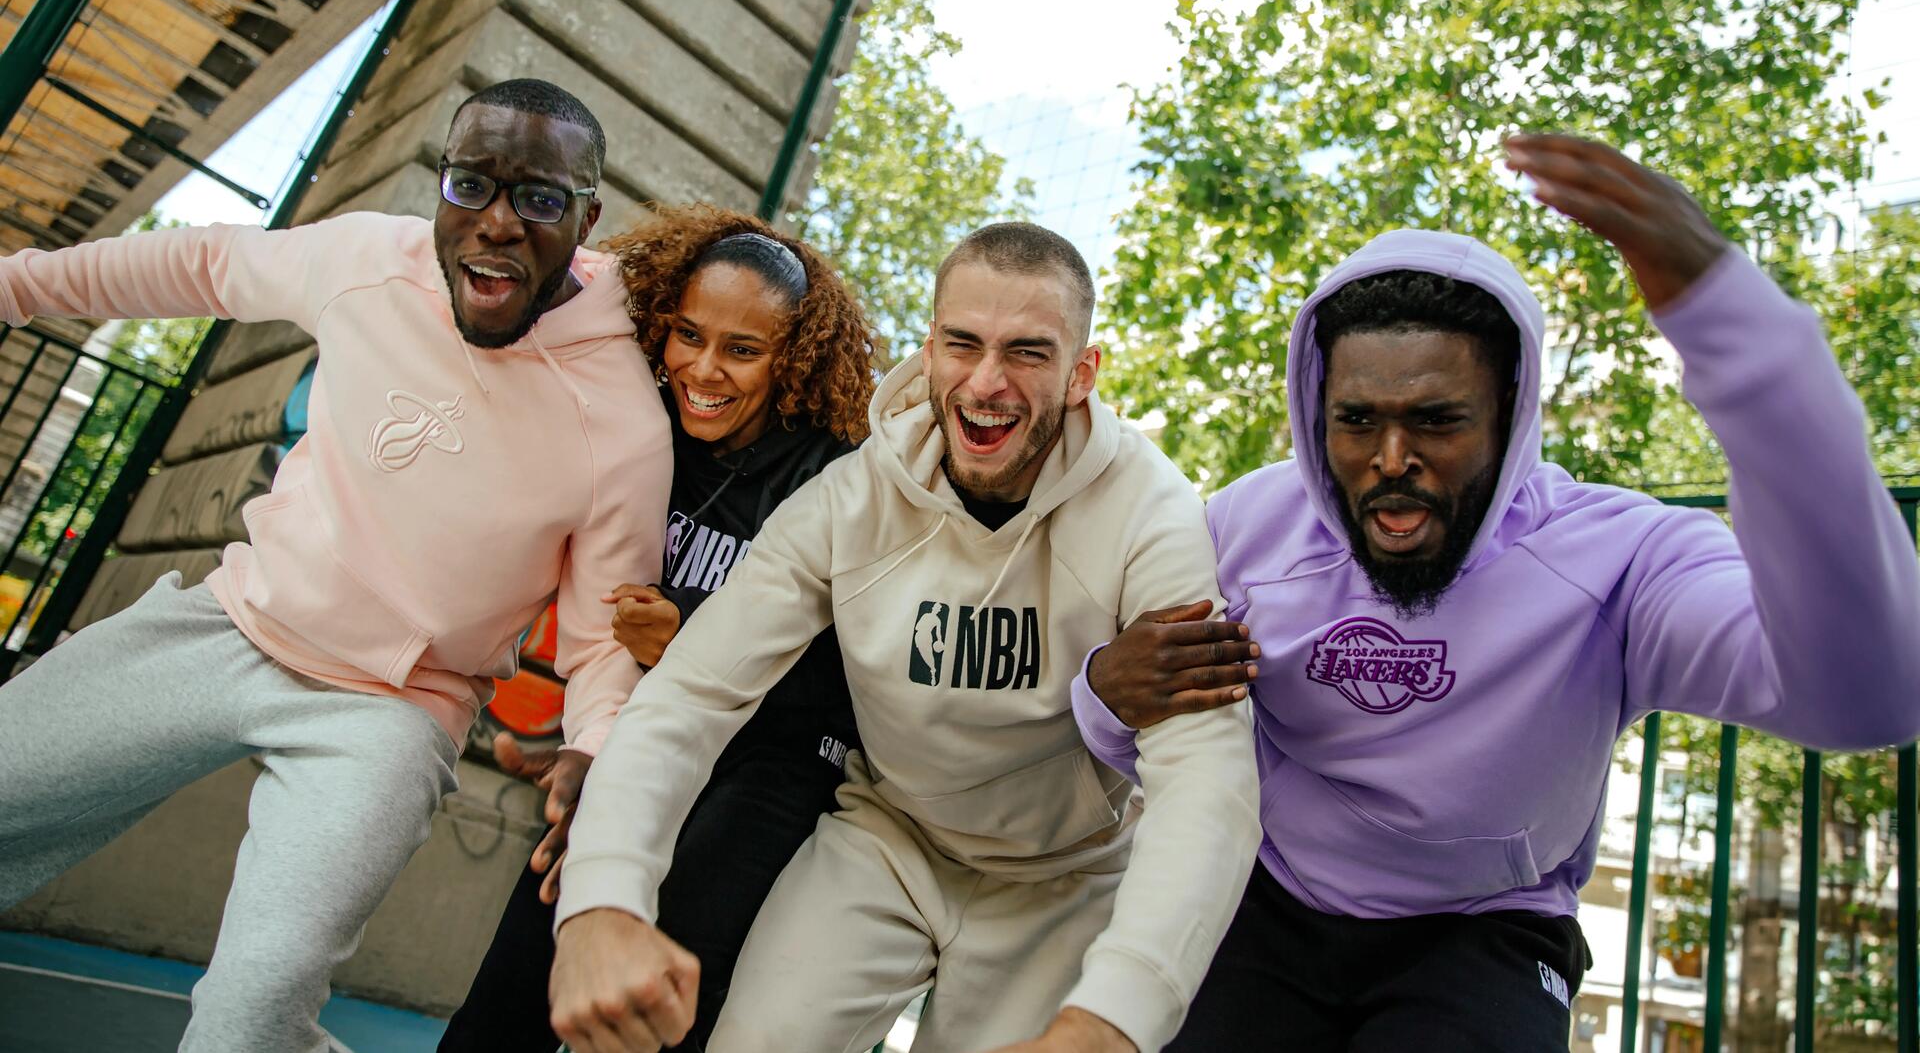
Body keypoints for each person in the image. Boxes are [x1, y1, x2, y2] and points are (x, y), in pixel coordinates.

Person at [1073, 134, 1920, 1051]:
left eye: (1436, 420)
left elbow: (1870, 693)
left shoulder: (1619, 559)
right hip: (1264, 903)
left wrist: (1744, 339)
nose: (1390, 461)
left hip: (1485, 931)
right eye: (1357, 422)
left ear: (1510, 415)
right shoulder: (1246, 527)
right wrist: (1104, 692)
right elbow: (1142, 732)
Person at [0, 78, 673, 1051]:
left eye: (537, 198)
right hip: (232, 623)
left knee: (250, 1019)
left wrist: (598, 746)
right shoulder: (369, 260)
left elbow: (605, 637)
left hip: (392, 711)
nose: (496, 222)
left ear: (586, 216)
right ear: (441, 186)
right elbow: (203, 262)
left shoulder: (620, 422)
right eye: (470, 185)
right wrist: (15, 286)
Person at [545, 223, 1262, 1053]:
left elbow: (1210, 781)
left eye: (1028, 352)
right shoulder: (851, 500)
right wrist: (601, 903)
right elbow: (693, 693)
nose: (987, 382)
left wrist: (1114, 1020)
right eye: (963, 343)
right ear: (929, 351)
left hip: (1067, 872)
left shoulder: (1150, 514)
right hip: (889, 831)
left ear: (1082, 374)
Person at [438, 206, 876, 1052]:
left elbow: (853, 685)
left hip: (772, 762)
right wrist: (592, 735)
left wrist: (699, 633)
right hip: (643, 740)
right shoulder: (638, 433)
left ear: (793, 358)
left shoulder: (836, 475)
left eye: (742, 350)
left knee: (664, 997)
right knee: (513, 990)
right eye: (688, 335)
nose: (703, 369)